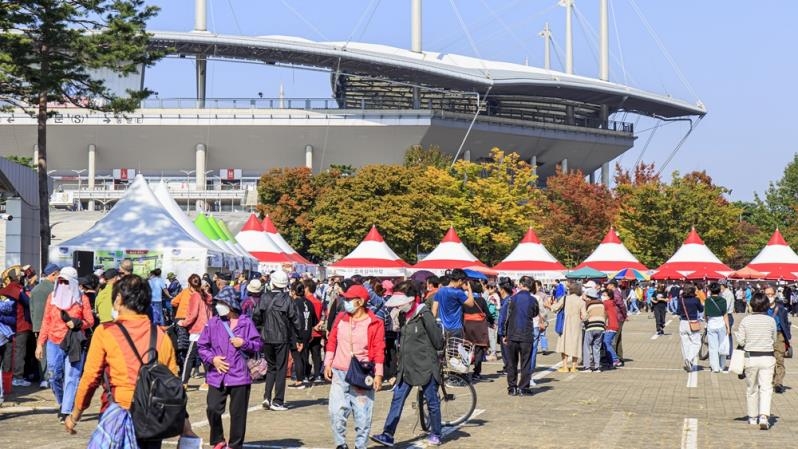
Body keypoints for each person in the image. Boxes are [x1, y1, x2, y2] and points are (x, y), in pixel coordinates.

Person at [67, 274, 192, 448]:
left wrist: (75, 414)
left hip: (118, 414)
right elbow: (172, 384)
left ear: (118, 299)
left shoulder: (105, 332)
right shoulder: (161, 335)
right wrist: (186, 426)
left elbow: (90, 378)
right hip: (154, 418)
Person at [370, 289, 444, 447]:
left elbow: (438, 341)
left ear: (410, 301)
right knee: (397, 399)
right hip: (406, 368)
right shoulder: (403, 316)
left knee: (432, 401)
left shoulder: (424, 314)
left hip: (426, 366)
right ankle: (387, 434)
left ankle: (436, 432)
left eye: (400, 305)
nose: (397, 308)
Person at [198, 287, 262, 449]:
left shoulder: (245, 322)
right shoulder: (213, 322)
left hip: (239, 375)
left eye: (222, 302)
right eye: (217, 302)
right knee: (212, 408)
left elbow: (258, 345)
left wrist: (244, 343)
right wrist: (213, 359)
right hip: (216, 375)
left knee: (238, 414)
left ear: (231, 304)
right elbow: (202, 346)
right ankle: (218, 439)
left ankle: (235, 445)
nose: (218, 305)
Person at [324, 283, 385, 449]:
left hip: (363, 374)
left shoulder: (375, 323)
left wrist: (379, 373)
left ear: (360, 302)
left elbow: (379, 349)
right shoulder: (340, 318)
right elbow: (332, 341)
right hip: (339, 372)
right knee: (336, 412)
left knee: (363, 415)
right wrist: (328, 363)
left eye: (350, 299)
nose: (346, 302)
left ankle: (360, 445)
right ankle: (340, 444)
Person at [35, 266, 94, 423]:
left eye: (66, 282)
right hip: (53, 342)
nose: (63, 284)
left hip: (74, 342)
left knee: (71, 377)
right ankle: (63, 403)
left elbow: (90, 321)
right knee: (53, 376)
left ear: (73, 282)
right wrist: (40, 343)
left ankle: (67, 409)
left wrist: (77, 323)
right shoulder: (52, 297)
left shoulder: (82, 299)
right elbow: (46, 321)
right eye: (60, 281)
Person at [252, 270, 302, 411]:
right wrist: (299, 337)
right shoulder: (287, 300)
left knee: (271, 368)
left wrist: (261, 329)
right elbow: (296, 319)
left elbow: (256, 317)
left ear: (272, 282)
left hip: (266, 337)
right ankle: (278, 401)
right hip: (282, 338)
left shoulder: (264, 297)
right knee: (280, 369)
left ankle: (267, 397)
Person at [735, 292, 777, 430]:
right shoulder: (771, 320)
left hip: (750, 357)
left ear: (752, 305)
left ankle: (752, 417)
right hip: (767, 356)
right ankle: (764, 415)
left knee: (751, 388)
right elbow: (774, 339)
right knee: (766, 388)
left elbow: (741, 341)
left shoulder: (746, 320)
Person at [503, 276, 539, 396]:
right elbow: (535, 313)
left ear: (521, 284)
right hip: (526, 334)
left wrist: (504, 333)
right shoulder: (533, 300)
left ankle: (512, 387)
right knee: (526, 362)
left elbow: (506, 318)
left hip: (512, 333)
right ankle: (523, 387)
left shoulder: (512, 299)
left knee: (512, 362)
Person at [0, 268, 33, 387]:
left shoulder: (7, 289)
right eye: (21, 276)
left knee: (12, 353)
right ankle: (17, 377)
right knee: (19, 352)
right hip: (20, 324)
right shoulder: (16, 289)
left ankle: (10, 377)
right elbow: (28, 302)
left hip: (13, 326)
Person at [177, 273, 212, 386]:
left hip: (198, 329)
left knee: (189, 356)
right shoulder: (206, 296)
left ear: (189, 284)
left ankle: (184, 382)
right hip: (207, 328)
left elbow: (193, 314)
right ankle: (208, 381)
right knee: (206, 356)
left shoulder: (195, 296)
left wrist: (183, 322)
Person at [551, 281, 586, 372]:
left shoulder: (565, 298)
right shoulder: (581, 301)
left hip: (565, 324)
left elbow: (555, 308)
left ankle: (565, 366)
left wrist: (549, 305)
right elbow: (585, 316)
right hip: (577, 325)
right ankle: (574, 367)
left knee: (564, 344)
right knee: (576, 344)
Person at [462, 280, 493, 381]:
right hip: (479, 327)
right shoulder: (481, 300)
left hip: (467, 326)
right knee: (479, 349)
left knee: (465, 349)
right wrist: (492, 322)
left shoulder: (465, 300)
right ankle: (476, 372)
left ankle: (464, 371)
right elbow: (488, 315)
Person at [431, 269, 475, 338]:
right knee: (454, 348)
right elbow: (471, 303)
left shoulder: (440, 290)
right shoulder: (458, 292)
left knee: (443, 348)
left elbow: (434, 310)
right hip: (455, 328)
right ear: (460, 281)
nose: (463, 284)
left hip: (442, 328)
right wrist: (469, 288)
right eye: (463, 282)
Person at [288, 282, 316, 389]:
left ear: (294, 292)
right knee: (304, 355)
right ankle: (304, 376)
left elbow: (293, 320)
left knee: (297, 356)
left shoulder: (293, 303)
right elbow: (313, 320)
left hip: (296, 333)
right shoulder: (309, 303)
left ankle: (300, 380)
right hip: (307, 332)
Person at [765, 285, 791, 393]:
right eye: (767, 294)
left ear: (775, 294)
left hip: (779, 335)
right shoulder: (761, 308)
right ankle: (769, 380)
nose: (769, 296)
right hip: (766, 336)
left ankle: (778, 383)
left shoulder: (781, 309)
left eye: (771, 294)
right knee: (768, 360)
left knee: (779, 359)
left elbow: (785, 323)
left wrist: (787, 338)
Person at [676, 284, 704, 372]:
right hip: (693, 322)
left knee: (685, 343)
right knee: (696, 343)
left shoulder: (681, 299)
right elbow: (701, 310)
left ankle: (687, 360)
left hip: (683, 322)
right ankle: (689, 358)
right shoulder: (696, 300)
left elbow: (678, 311)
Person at [704, 283, 730, 373]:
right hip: (721, 324)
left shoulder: (707, 300)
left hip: (711, 324)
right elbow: (725, 314)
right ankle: (722, 366)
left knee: (713, 347)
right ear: (719, 290)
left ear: (710, 290)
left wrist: (707, 322)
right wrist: (728, 327)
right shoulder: (723, 300)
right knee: (722, 345)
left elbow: (705, 315)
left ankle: (715, 367)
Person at [581, 288, 606, 372]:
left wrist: (583, 321)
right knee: (597, 347)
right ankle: (597, 367)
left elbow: (585, 317)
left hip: (591, 326)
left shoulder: (588, 304)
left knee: (587, 347)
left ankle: (587, 367)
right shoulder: (601, 304)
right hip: (601, 326)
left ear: (589, 297)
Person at [607, 281, 628, 365]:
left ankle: (614, 359)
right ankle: (619, 356)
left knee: (614, 338)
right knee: (618, 338)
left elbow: (622, 305)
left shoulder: (615, 294)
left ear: (612, 285)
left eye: (608, 284)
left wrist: (625, 315)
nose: (606, 286)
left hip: (618, 318)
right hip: (618, 317)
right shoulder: (615, 293)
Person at [600, 289, 621, 368]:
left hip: (611, 326)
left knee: (606, 342)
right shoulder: (612, 303)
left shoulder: (607, 303)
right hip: (613, 325)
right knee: (606, 343)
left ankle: (615, 359)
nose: (602, 297)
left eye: (604, 295)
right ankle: (610, 361)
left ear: (609, 296)